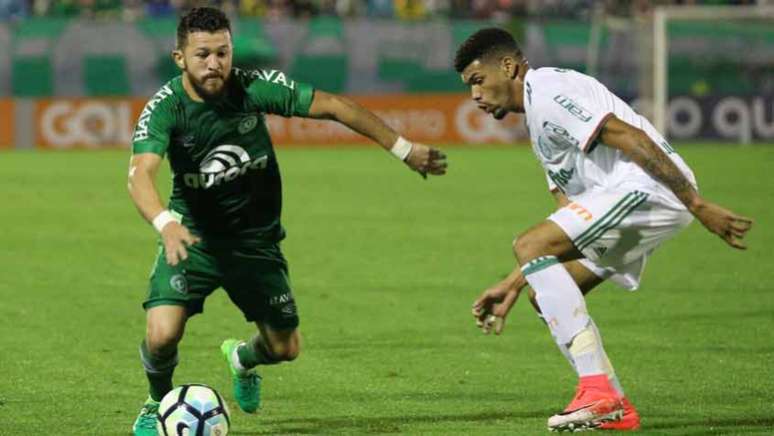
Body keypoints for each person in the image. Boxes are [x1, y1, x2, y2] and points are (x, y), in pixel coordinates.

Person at [128, 7, 447, 435]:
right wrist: (165, 222)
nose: (214, 64)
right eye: (202, 54)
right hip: (192, 239)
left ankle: (242, 359)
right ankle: (156, 401)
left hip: (255, 243)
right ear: (180, 58)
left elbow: (334, 106)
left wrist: (404, 149)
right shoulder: (166, 108)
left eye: (222, 53)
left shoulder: (253, 87)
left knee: (285, 348)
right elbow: (140, 173)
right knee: (162, 333)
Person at [455, 28, 752, 432]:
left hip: (649, 189)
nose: (475, 95)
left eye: (478, 81)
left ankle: (598, 392)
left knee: (528, 243)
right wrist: (515, 282)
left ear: (507, 66)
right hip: (625, 199)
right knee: (549, 294)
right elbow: (568, 221)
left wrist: (695, 204)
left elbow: (626, 135)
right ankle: (614, 405)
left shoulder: (547, 89)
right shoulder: (538, 124)